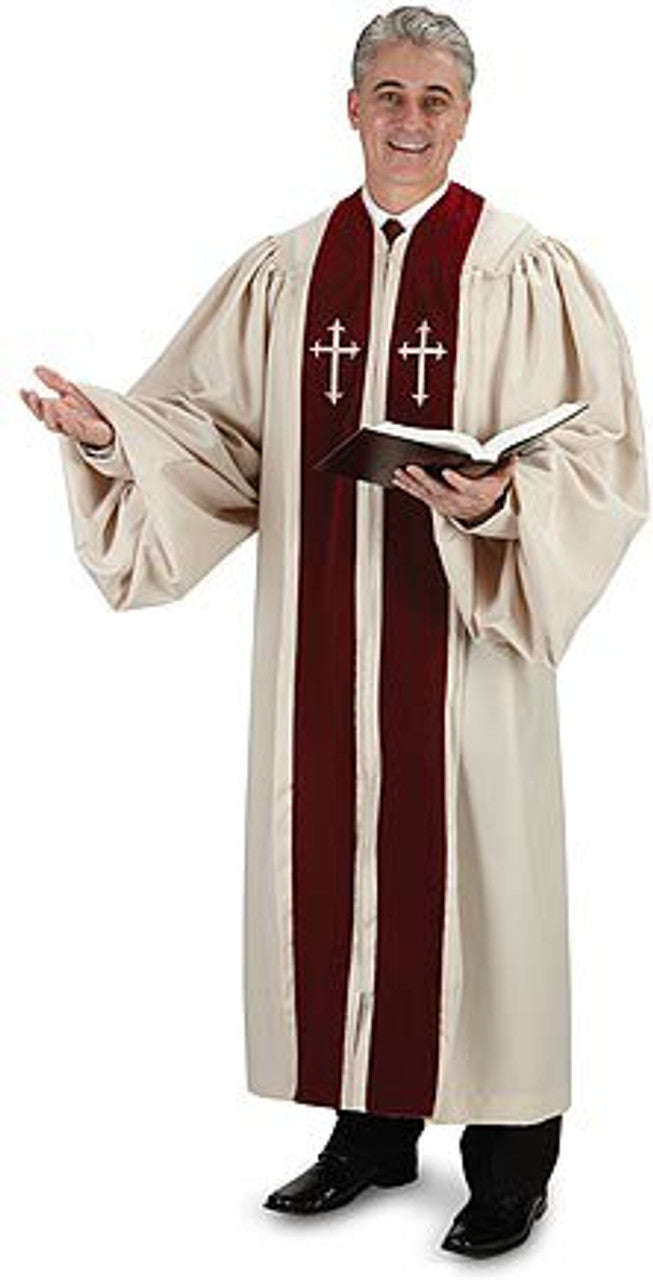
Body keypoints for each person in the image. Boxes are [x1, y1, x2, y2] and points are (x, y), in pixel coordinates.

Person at [19, 6, 649, 1260]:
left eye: (433, 99)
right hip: (318, 637)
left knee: (485, 886)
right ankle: (368, 1133)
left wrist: (501, 499)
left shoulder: (522, 267)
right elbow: (215, 434)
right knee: (341, 864)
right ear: (351, 107)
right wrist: (113, 431)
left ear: (464, 117)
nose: (409, 120)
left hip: (462, 639)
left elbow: (601, 447)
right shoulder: (287, 269)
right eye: (389, 95)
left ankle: (510, 1165)